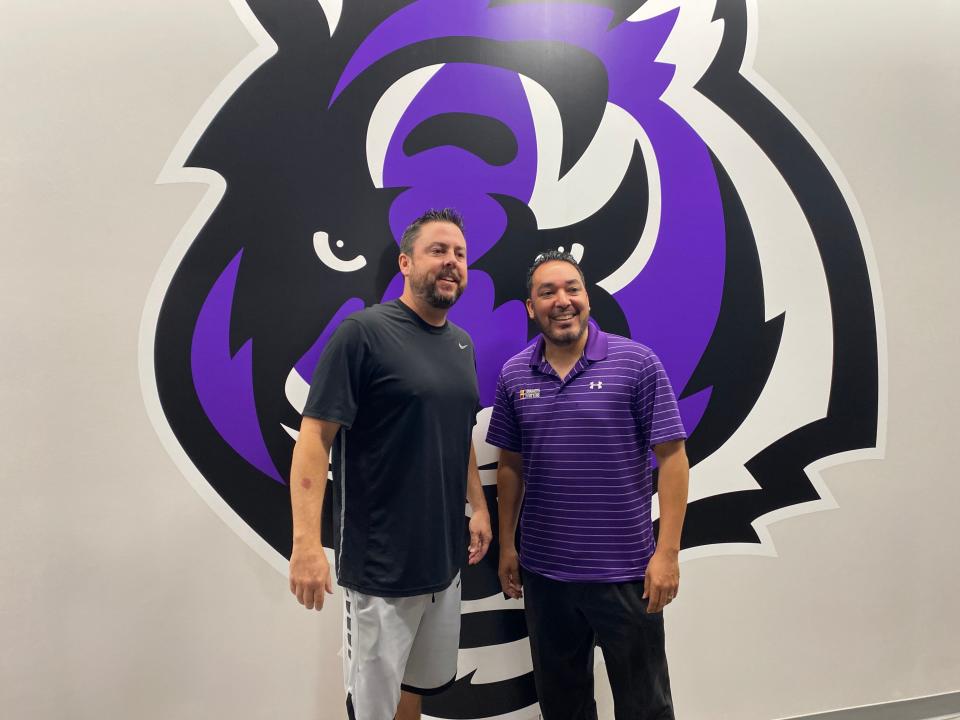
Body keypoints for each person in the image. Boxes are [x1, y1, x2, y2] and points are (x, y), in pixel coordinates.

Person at [288, 208, 493, 720]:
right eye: (438, 251)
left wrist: (479, 506)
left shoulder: (462, 344)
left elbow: (459, 432)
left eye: (460, 255)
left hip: (442, 563)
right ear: (405, 262)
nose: (451, 263)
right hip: (380, 567)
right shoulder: (362, 334)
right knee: (372, 708)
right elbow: (314, 437)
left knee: (415, 689)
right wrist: (306, 544)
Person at [487, 250, 689, 720]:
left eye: (572, 289)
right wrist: (507, 548)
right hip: (546, 576)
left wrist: (668, 554)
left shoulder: (636, 364)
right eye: (547, 292)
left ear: (587, 299)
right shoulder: (515, 374)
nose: (562, 301)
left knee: (646, 707)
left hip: (627, 574)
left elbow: (673, 459)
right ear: (530, 308)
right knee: (563, 707)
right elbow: (511, 465)